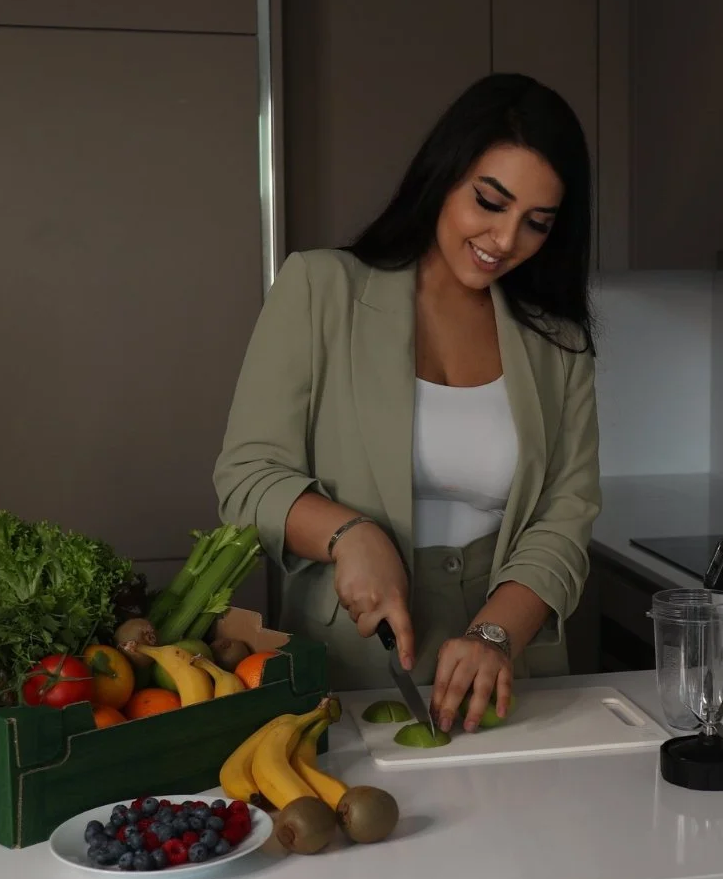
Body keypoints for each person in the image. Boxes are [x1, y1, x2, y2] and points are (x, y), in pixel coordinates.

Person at [213, 73, 601, 735]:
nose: (505, 240)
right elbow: (246, 481)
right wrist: (350, 534)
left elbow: (566, 516)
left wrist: (496, 636)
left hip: (508, 670)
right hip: (347, 663)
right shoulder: (320, 291)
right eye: (489, 201)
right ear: (443, 174)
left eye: (536, 223)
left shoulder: (558, 342)